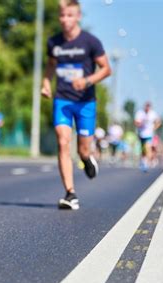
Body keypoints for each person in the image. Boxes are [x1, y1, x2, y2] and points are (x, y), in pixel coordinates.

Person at [41, 0, 111, 210]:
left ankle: (87, 159)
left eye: (70, 15)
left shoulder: (91, 42)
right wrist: (45, 83)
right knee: (63, 142)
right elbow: (51, 66)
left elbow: (106, 69)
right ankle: (70, 194)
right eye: (62, 16)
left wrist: (87, 81)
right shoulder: (54, 42)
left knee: (82, 150)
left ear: (78, 16)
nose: (65, 20)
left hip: (85, 102)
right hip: (62, 99)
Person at [134, 102, 161, 172]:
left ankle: (146, 163)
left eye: (149, 107)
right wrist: (140, 124)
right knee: (143, 150)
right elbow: (135, 122)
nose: (147, 108)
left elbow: (158, 121)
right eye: (146, 106)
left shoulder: (153, 113)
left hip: (149, 134)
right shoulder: (140, 113)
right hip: (141, 134)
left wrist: (154, 127)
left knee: (147, 148)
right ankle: (143, 162)